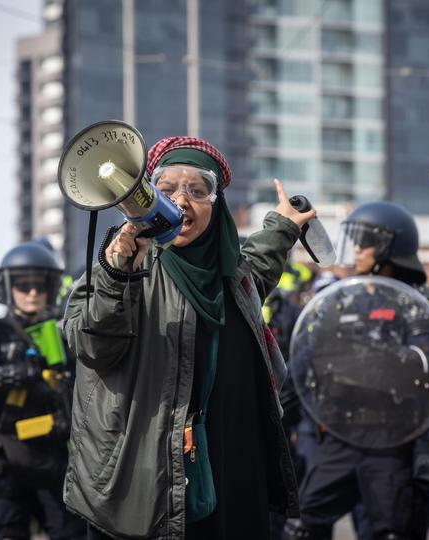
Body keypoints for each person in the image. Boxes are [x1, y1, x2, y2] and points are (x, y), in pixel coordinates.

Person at [64, 137, 311, 539]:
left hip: (230, 465)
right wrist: (118, 275)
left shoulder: (233, 274)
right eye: (166, 189)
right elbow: (91, 345)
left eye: (198, 191)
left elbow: (259, 265)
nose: (182, 200)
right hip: (143, 479)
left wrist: (283, 226)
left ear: (217, 206)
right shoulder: (122, 264)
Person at [285, 201, 429, 540]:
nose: (356, 250)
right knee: (301, 525)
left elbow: (422, 366)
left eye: (365, 242)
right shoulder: (340, 302)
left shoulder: (413, 304)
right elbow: (304, 365)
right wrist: (274, 415)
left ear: (389, 247)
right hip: (341, 434)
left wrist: (357, 359)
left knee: (391, 531)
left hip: (391, 439)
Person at [0, 242, 84, 540]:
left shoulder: (64, 329)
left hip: (52, 453)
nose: (32, 293)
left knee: (71, 532)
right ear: (8, 286)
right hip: (2, 455)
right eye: (23, 285)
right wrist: (17, 375)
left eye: (39, 285)